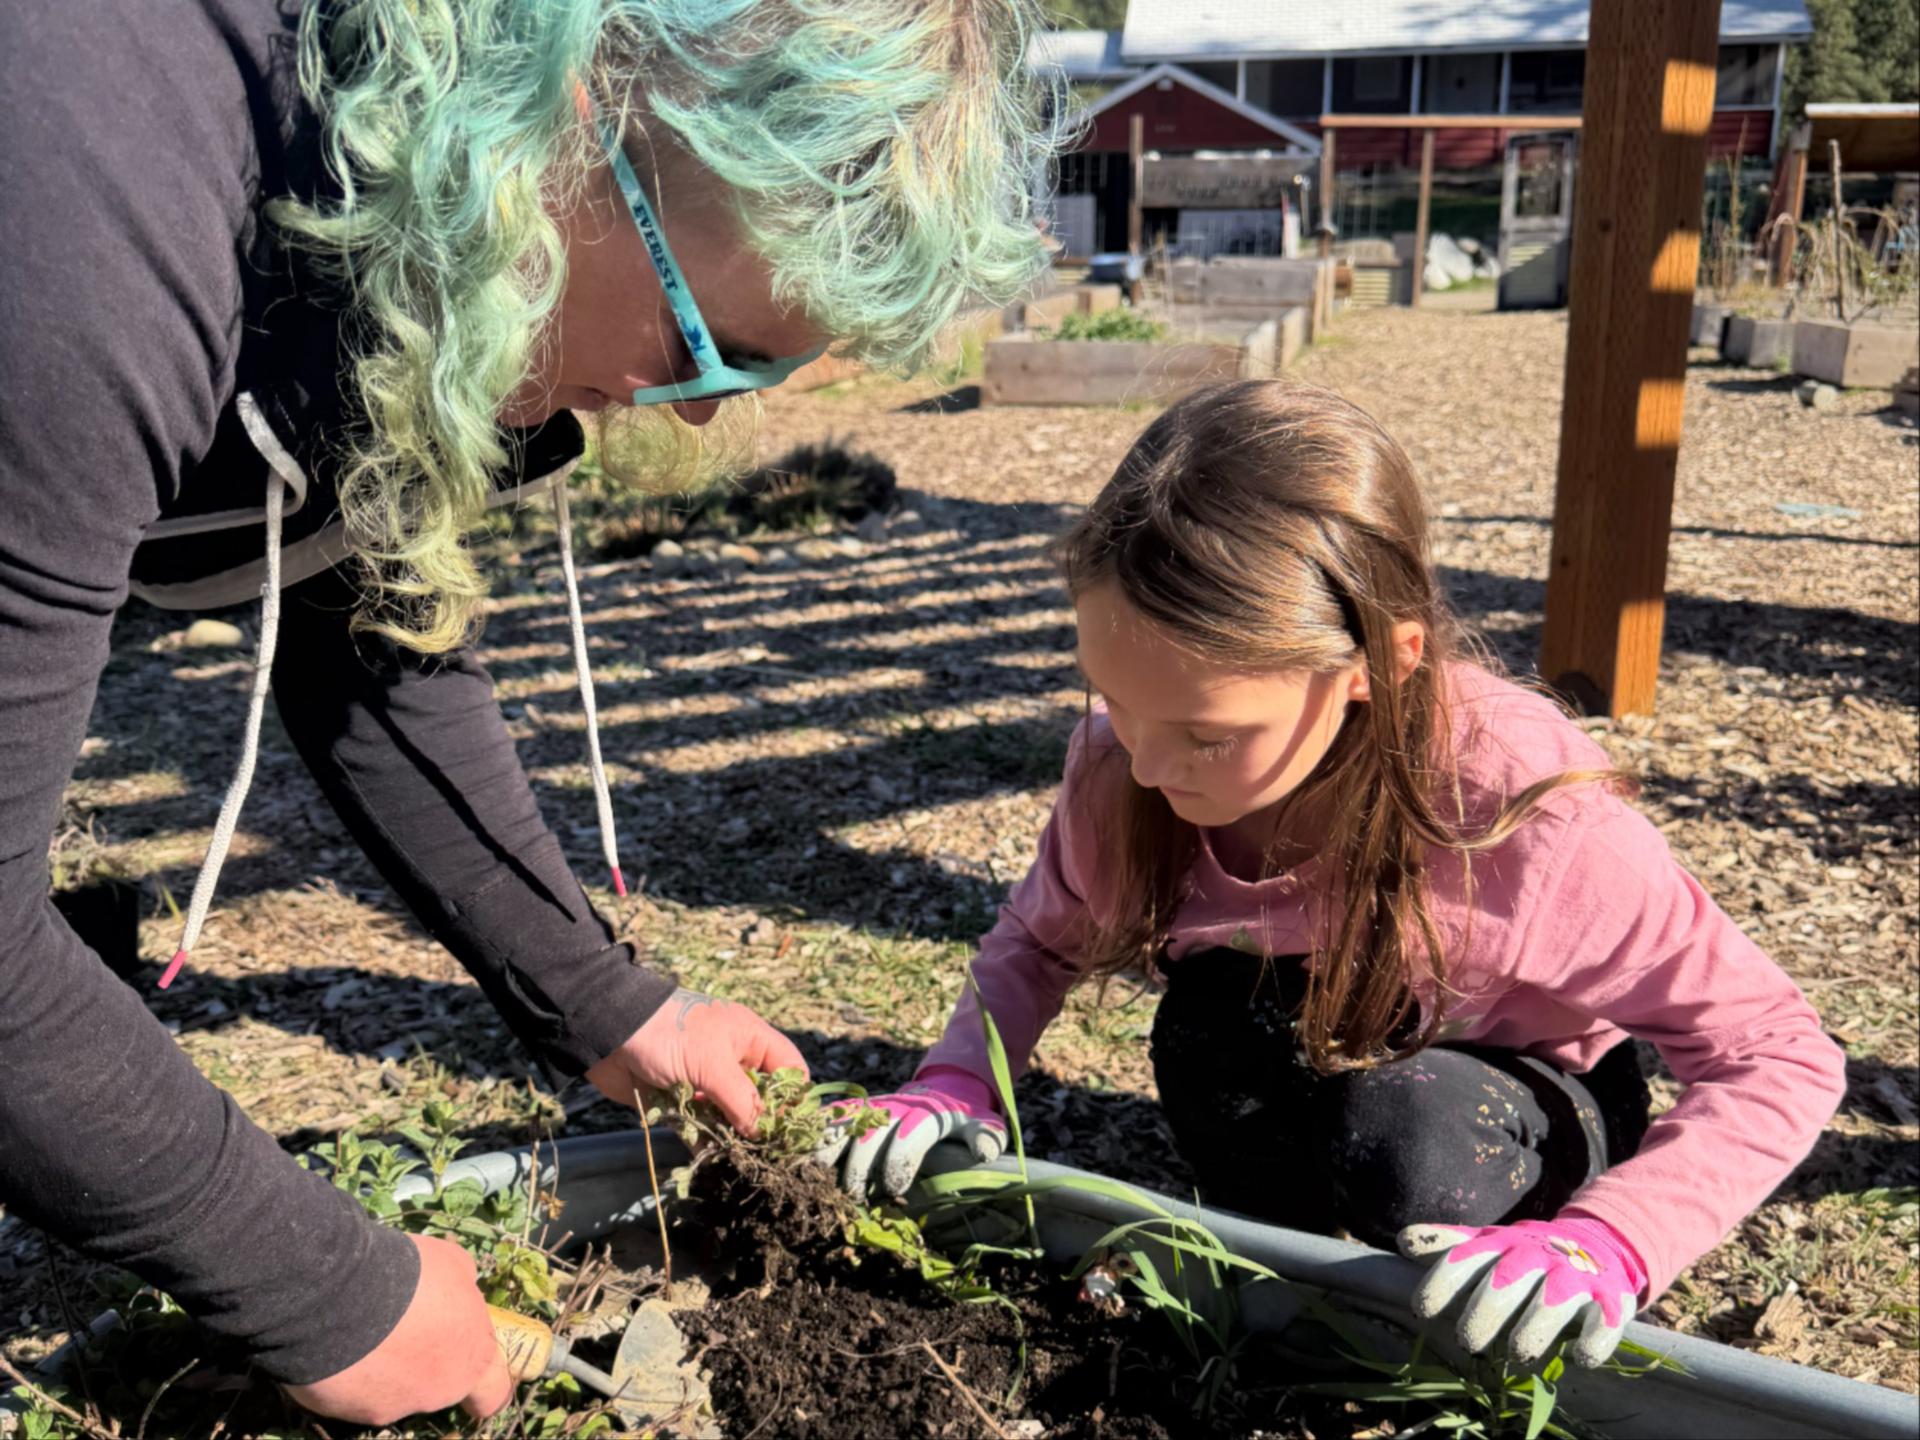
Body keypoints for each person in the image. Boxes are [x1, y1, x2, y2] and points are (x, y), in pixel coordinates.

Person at [0, 0, 1060, 1426]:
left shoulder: (409, 200)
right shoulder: (94, 207)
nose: (695, 412)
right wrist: (322, 1286)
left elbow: (367, 629)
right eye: (707, 342)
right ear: (580, 119)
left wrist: (605, 1000)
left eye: (756, 378)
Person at [817, 380, 1848, 1370]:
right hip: (1317, 1046)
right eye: (1115, 703)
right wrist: (952, 1081)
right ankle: (1285, 1260)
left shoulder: (1517, 811)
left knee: (1406, 1138)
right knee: (1207, 1030)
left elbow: (1778, 1054)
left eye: (1206, 736)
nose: (1148, 764)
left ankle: (1460, 1264)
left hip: (1519, 1100)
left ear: (1381, 664)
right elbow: (1038, 944)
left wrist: (1615, 1240)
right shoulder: (1122, 770)